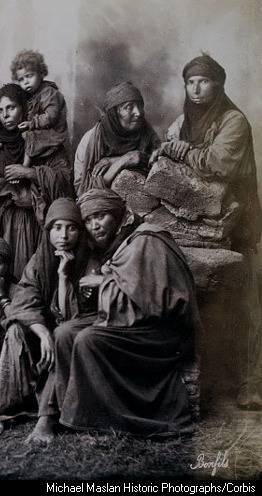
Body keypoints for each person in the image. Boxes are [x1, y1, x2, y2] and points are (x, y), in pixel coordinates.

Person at [27, 189, 199, 443]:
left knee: (89, 338)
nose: (95, 225)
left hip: (158, 331)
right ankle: (67, 416)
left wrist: (103, 282)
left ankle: (104, 421)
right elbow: (100, 306)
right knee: (65, 333)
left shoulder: (147, 240)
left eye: (102, 216)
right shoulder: (112, 247)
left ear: (118, 216)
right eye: (88, 220)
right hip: (128, 321)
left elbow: (157, 302)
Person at [155, 54, 262, 408]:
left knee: (245, 305)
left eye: (204, 81)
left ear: (219, 84)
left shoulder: (234, 122)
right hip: (193, 225)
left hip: (237, 223)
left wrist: (181, 150)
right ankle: (197, 384)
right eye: (190, 82)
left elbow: (218, 163)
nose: (197, 88)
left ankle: (249, 386)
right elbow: (164, 152)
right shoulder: (183, 121)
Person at [0, 199, 91, 437]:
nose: (63, 235)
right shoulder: (38, 261)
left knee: (61, 337)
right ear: (48, 231)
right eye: (57, 228)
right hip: (46, 333)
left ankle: (47, 418)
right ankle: (4, 412)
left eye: (71, 228)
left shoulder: (88, 262)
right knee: (15, 331)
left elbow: (70, 317)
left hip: (72, 335)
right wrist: (41, 333)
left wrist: (63, 277)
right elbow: (24, 301)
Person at [0, 84, 74, 278]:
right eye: (0, 110)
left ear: (24, 108)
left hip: (33, 224)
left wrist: (30, 173)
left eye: (11, 108)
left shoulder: (46, 141)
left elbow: (65, 180)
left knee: (29, 274)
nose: (5, 115)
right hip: (1, 222)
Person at [74, 81, 159, 196]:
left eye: (140, 106)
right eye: (129, 107)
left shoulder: (147, 133)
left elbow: (159, 168)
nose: (138, 113)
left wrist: (113, 160)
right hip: (102, 205)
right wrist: (121, 162)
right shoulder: (91, 140)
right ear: (114, 113)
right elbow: (82, 191)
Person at [8, 50, 71, 178]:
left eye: (29, 76)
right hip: (41, 132)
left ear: (41, 73)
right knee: (23, 136)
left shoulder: (49, 93)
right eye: (21, 79)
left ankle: (26, 165)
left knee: (28, 136)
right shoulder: (31, 96)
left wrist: (32, 123)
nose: (25, 82)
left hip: (53, 133)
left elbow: (51, 117)